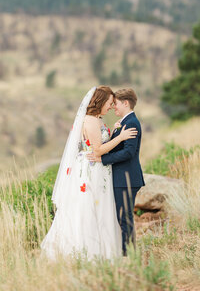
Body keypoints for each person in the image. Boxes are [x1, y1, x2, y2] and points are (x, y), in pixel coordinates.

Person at [41, 85, 138, 259]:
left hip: (101, 170)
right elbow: (98, 150)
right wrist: (121, 137)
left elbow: (103, 140)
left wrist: (115, 130)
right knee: (88, 207)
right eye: (109, 102)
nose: (111, 106)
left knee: (101, 208)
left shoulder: (98, 119)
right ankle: (87, 251)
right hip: (92, 170)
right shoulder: (90, 120)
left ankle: (105, 249)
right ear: (100, 101)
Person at [88, 88, 144, 255]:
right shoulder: (125, 122)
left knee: (124, 218)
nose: (113, 108)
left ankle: (129, 254)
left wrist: (102, 160)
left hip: (126, 178)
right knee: (122, 217)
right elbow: (116, 147)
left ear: (126, 103)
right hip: (121, 178)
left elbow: (128, 153)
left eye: (116, 104)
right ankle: (125, 251)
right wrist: (115, 132)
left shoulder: (132, 123)